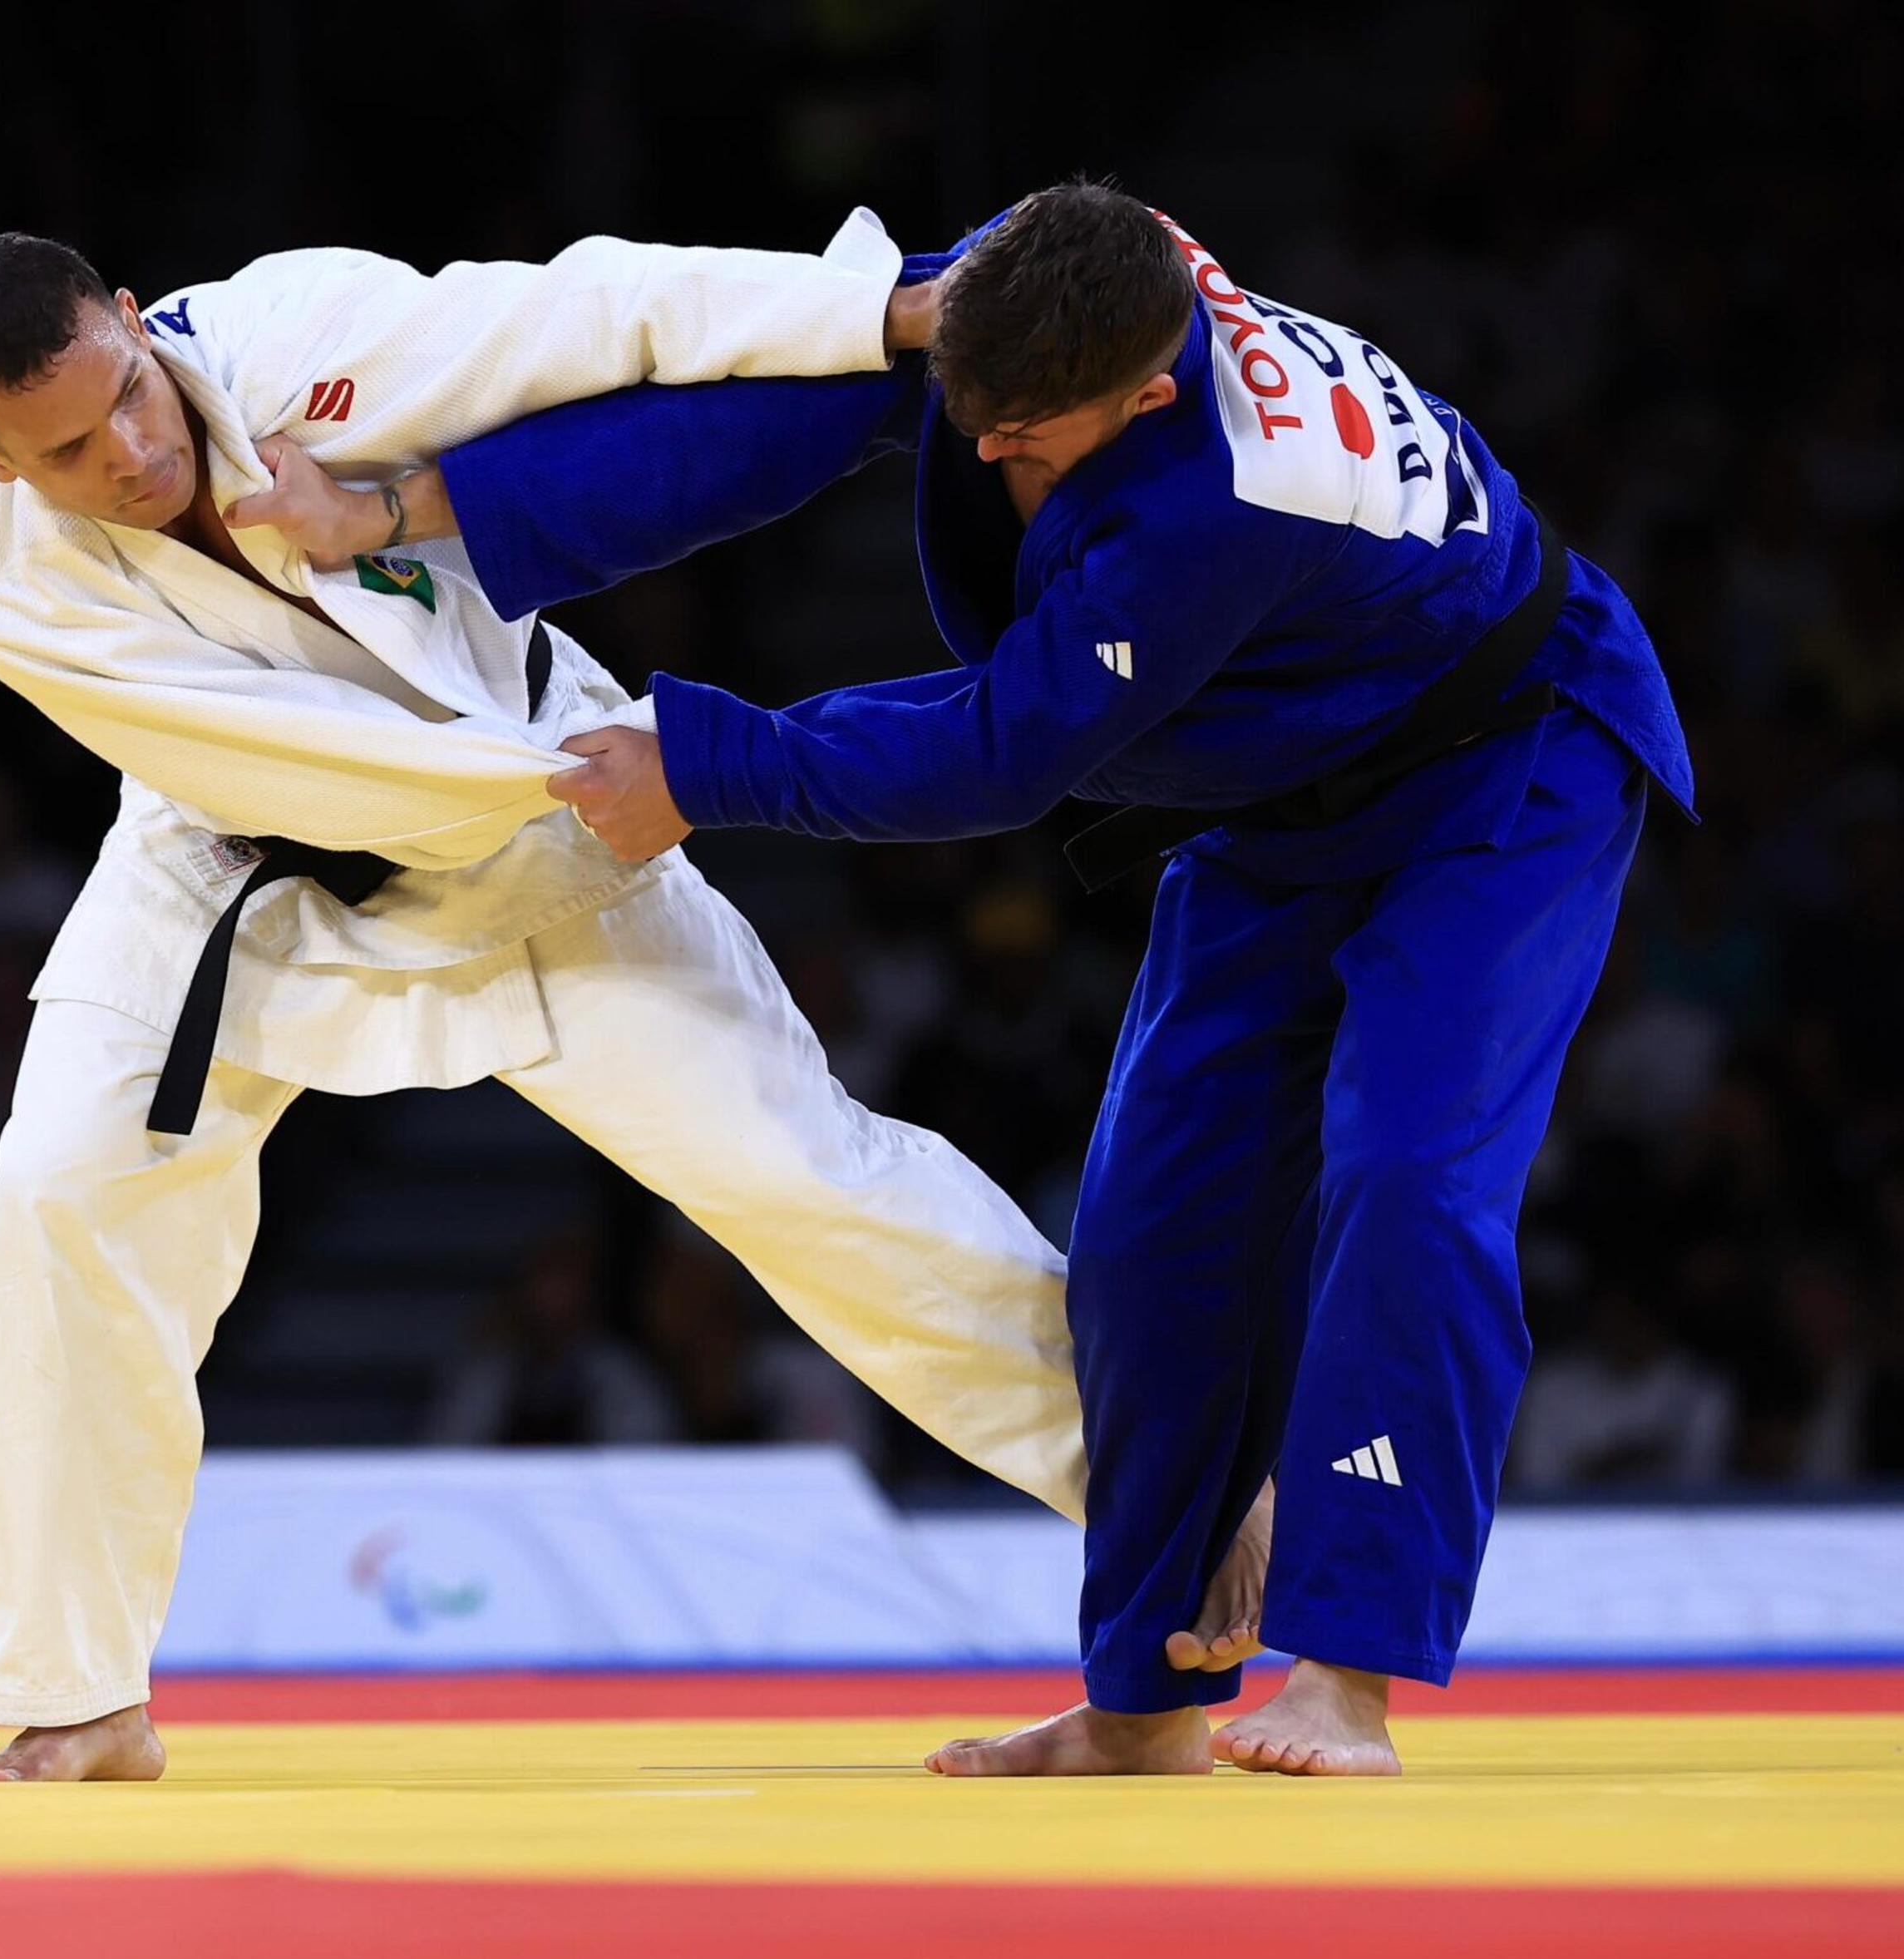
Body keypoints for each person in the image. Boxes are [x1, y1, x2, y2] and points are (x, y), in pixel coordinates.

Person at [260, 182, 1696, 1774]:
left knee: (1407, 1166)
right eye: (974, 421)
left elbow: (1005, 747)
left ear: (1149, 394)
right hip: (1288, 775)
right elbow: (752, 424)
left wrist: (708, 761)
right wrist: (410, 509)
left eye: (1034, 440)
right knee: (1151, 1223)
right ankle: (1141, 1704)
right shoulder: (1015, 293)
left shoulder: (1216, 502)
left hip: (1509, 764)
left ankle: (1345, 1676)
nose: (992, 457)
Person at [0, 219, 1101, 1782]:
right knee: (66, 1198)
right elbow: (302, 765)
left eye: (129, 392)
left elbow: (584, 314)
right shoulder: (13, 596)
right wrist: (634, 774)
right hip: (245, 873)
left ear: (137, 322)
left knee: (810, 1181)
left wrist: (880, 313)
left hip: (551, 832)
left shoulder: (295, 332)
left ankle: (1187, 1501)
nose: (130, 453)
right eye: (64, 451)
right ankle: (76, 1697)